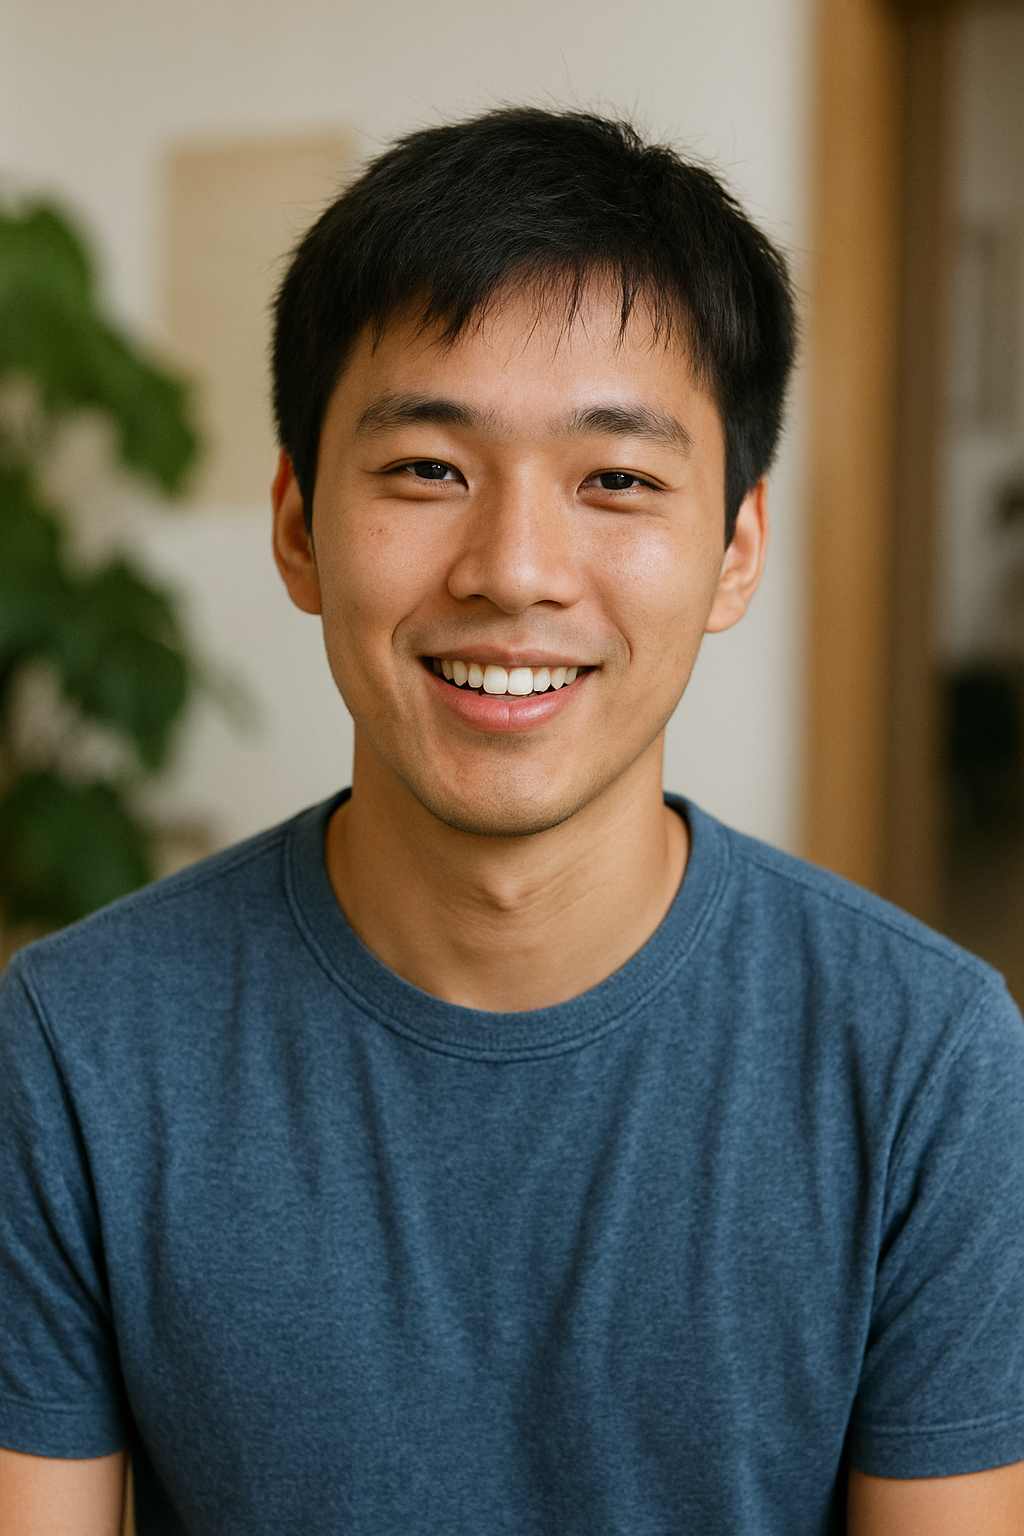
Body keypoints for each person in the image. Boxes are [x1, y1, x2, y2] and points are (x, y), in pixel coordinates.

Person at [0, 108, 1022, 1536]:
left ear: (736, 549)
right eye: (428, 468)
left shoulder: (924, 1062)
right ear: (299, 524)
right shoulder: (72, 1045)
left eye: (617, 480)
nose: (517, 570)